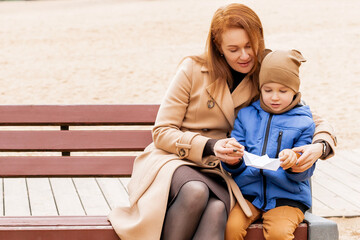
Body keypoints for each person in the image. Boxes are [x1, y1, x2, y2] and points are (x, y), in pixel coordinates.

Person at [108, 3, 337, 240]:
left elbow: (308, 117)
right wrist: (210, 145)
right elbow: (162, 132)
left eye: (250, 45)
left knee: (218, 209)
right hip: (175, 160)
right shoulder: (193, 69)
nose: (245, 55)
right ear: (218, 47)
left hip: (222, 170)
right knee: (195, 192)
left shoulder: (264, 73)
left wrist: (319, 146)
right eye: (234, 49)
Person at [223, 49, 316, 240]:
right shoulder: (246, 115)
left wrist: (294, 162)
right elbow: (234, 159)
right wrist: (233, 158)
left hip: (288, 197)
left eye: (283, 91)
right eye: (268, 90)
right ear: (260, 88)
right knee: (230, 228)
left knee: (278, 234)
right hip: (248, 194)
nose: (274, 97)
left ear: (295, 91)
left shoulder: (303, 122)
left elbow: (306, 167)